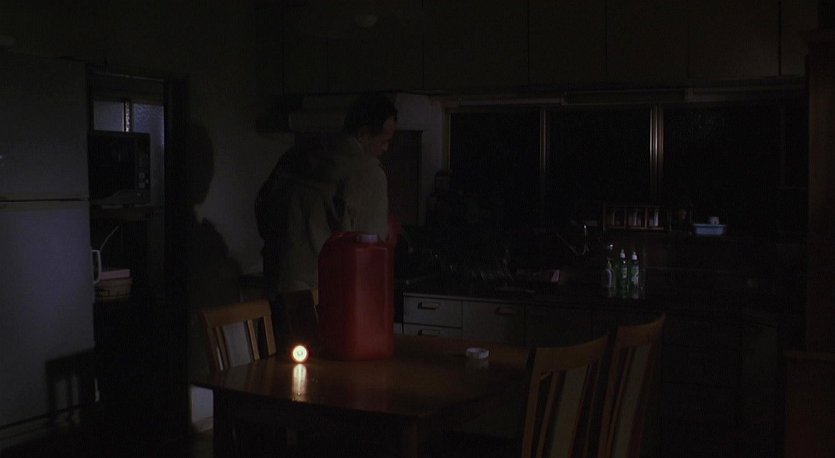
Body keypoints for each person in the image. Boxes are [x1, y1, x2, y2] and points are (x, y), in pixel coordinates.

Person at [256, 93, 398, 302]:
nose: (386, 148)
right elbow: (370, 252)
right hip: (324, 293)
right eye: (384, 141)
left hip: (277, 284)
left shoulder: (295, 157)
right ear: (364, 134)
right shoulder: (367, 173)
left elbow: (263, 212)